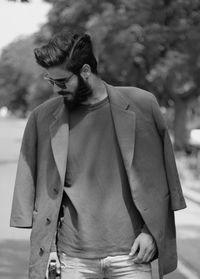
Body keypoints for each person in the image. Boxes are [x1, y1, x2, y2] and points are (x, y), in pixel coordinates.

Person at [10, 30, 186, 279]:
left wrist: (151, 231)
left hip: (132, 255)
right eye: (51, 82)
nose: (56, 89)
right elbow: (36, 188)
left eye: (61, 82)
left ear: (85, 71)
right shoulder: (42, 118)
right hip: (72, 259)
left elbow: (161, 179)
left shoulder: (142, 105)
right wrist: (49, 248)